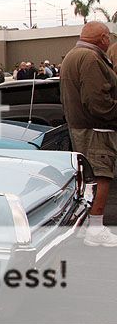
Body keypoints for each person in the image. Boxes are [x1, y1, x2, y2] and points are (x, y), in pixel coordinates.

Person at [60, 21, 117, 246]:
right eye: (108, 37)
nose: (110, 40)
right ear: (102, 38)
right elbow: (98, 102)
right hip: (96, 128)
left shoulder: (73, 55)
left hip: (81, 125)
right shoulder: (91, 58)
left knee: (89, 178)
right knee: (102, 175)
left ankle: (89, 225)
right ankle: (96, 229)